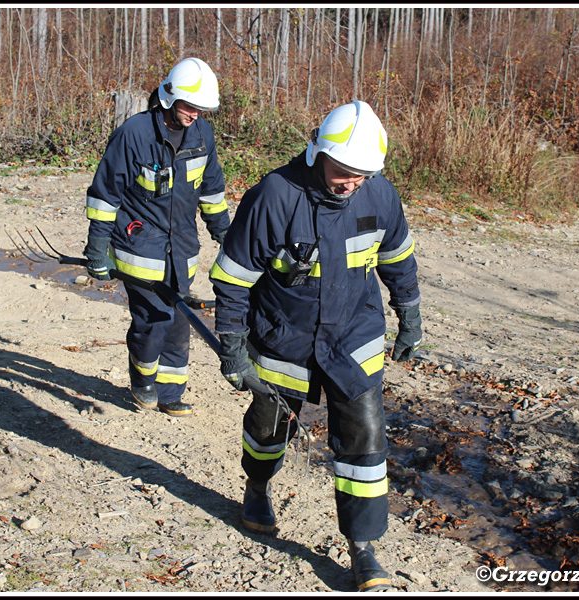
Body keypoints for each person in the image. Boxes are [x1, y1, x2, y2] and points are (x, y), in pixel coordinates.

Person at [209, 100, 422, 591]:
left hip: (354, 336)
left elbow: (398, 259)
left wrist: (409, 315)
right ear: (318, 150)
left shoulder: (381, 196)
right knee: (269, 424)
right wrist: (233, 347)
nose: (351, 183)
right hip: (286, 335)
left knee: (364, 435)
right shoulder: (275, 196)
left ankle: (363, 547)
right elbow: (234, 279)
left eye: (362, 175)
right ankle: (257, 487)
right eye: (344, 171)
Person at [83, 57, 230, 417]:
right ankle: (142, 380)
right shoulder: (135, 135)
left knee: (180, 320)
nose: (195, 114)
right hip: (139, 248)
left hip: (182, 251)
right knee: (154, 320)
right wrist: (97, 249)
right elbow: (105, 195)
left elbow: (211, 191)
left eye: (201, 108)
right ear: (168, 97)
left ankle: (170, 392)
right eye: (189, 106)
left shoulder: (202, 136)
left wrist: (227, 236)